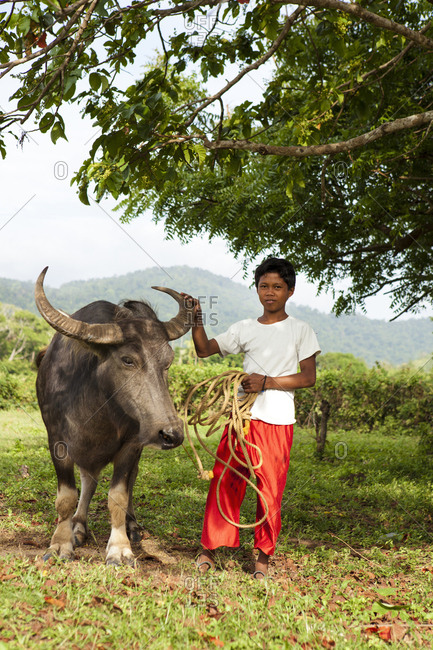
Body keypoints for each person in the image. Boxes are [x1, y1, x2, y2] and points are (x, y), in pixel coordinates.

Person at [185, 257, 321, 579]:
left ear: (290, 291)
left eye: (277, 287)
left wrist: (267, 382)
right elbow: (204, 349)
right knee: (225, 481)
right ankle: (209, 549)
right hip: (240, 419)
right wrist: (197, 319)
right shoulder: (245, 328)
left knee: (270, 490)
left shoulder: (301, 330)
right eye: (264, 286)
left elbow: (308, 378)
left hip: (277, 421)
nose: (269, 292)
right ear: (256, 289)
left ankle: (262, 560)